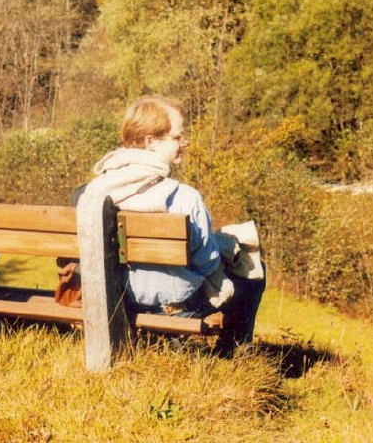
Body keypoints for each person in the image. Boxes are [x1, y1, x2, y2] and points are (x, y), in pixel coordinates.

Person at [91, 95, 265, 355]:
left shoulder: (96, 190)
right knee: (253, 268)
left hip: (118, 299)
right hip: (174, 307)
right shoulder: (184, 197)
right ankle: (234, 352)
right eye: (177, 137)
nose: (185, 142)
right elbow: (207, 263)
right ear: (150, 142)